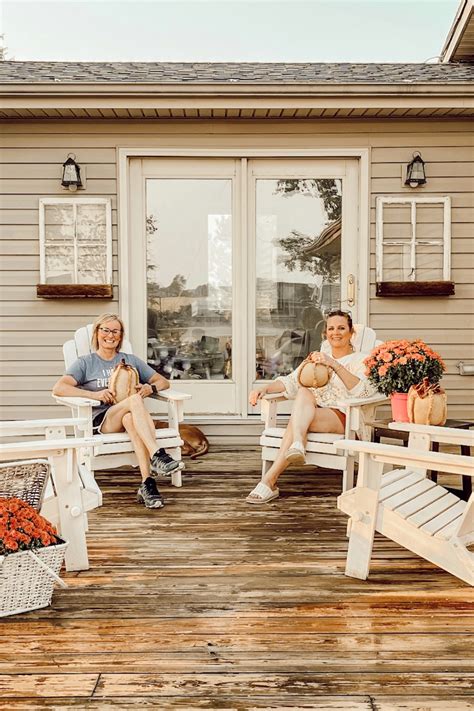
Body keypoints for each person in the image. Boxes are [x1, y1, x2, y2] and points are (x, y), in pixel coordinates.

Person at [52, 313, 183, 509]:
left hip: (131, 418)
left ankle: (147, 484)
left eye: (115, 331)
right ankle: (157, 454)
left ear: (121, 336)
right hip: (104, 421)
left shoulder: (130, 360)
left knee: (131, 416)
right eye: (105, 330)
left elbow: (162, 381)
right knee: (135, 400)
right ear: (97, 333)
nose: (110, 335)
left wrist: (151, 388)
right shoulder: (85, 363)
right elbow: (59, 388)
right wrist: (94, 395)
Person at [245, 310, 376, 504]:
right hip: (312, 413)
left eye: (341, 328)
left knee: (296, 420)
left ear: (351, 333)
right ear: (325, 333)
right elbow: (291, 382)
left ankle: (270, 479)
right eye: (331, 328)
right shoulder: (318, 358)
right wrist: (264, 388)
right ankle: (296, 444)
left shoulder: (361, 360)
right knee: (304, 391)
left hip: (345, 418)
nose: (336, 332)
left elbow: (362, 392)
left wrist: (333, 364)